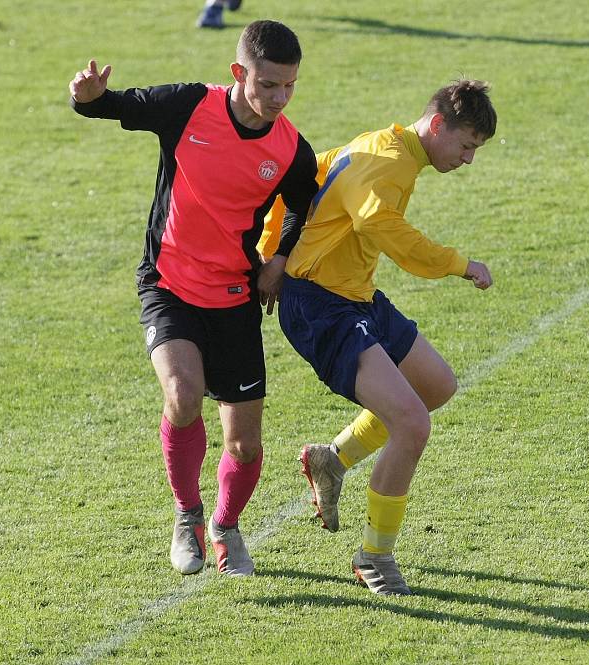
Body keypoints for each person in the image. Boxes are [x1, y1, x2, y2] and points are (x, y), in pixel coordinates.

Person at [68, 20, 318, 576]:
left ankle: (227, 526)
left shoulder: (289, 148)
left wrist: (277, 260)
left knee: (246, 446)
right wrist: (87, 98)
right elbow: (115, 105)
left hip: (233, 297)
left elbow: (304, 203)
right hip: (169, 282)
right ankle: (188, 517)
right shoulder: (188, 106)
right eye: (268, 84)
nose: (279, 97)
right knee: (183, 395)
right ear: (238, 73)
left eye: (289, 86)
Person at [268, 80, 496, 595]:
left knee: (435, 387)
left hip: (354, 296)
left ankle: (333, 458)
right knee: (412, 423)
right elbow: (384, 229)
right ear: (437, 125)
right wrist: (459, 264)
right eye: (465, 146)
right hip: (320, 305)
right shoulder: (390, 162)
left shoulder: (382, 144)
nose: (467, 160)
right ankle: (375, 557)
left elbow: (306, 178)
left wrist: (273, 250)